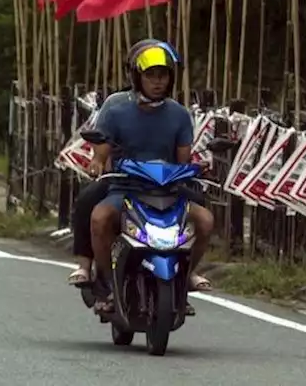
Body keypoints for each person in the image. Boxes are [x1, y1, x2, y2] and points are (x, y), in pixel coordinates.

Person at [66, 39, 215, 313]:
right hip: (125, 185)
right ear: (137, 76)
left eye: (163, 75)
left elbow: (183, 159)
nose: (157, 82)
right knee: (97, 215)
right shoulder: (115, 106)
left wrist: (198, 167)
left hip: (166, 187)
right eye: (150, 75)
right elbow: (100, 153)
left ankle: (187, 274)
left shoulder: (179, 115)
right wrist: (97, 165)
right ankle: (103, 280)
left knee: (205, 219)